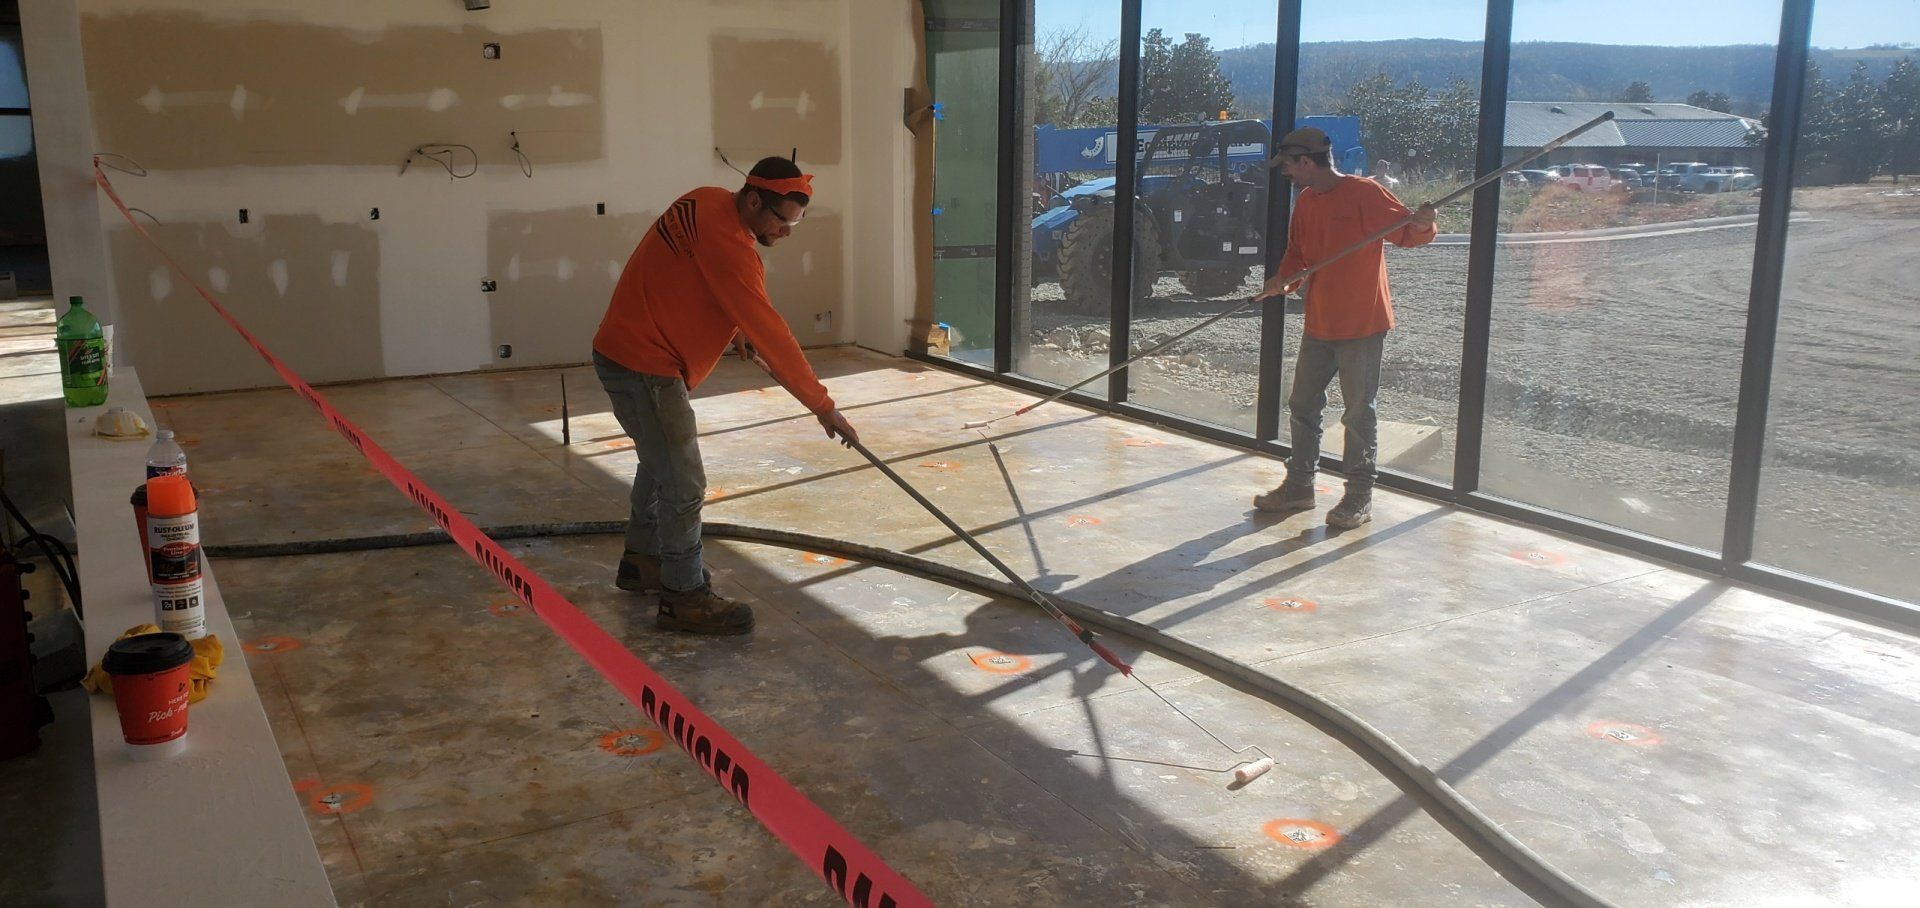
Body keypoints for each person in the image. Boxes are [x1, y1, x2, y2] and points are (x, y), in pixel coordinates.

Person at [592, 156, 858, 635]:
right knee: (685, 483)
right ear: (754, 200)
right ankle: (683, 596)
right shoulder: (734, 251)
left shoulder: (706, 199)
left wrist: (732, 325)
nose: (787, 233)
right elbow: (773, 333)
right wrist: (823, 405)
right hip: (644, 366)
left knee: (660, 465)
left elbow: (691, 275)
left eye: (797, 222)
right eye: (782, 220)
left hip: (626, 350)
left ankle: (644, 561)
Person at [1252, 127, 1436, 529]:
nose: (1285, 172)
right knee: (1302, 405)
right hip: (1319, 320)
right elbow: (1298, 253)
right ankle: (1299, 487)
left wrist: (1423, 224)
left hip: (1362, 323)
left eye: (1288, 165)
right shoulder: (1306, 201)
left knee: (1357, 413)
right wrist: (1281, 280)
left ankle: (1358, 497)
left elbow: (1409, 233)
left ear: (1306, 161)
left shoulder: (1365, 193)